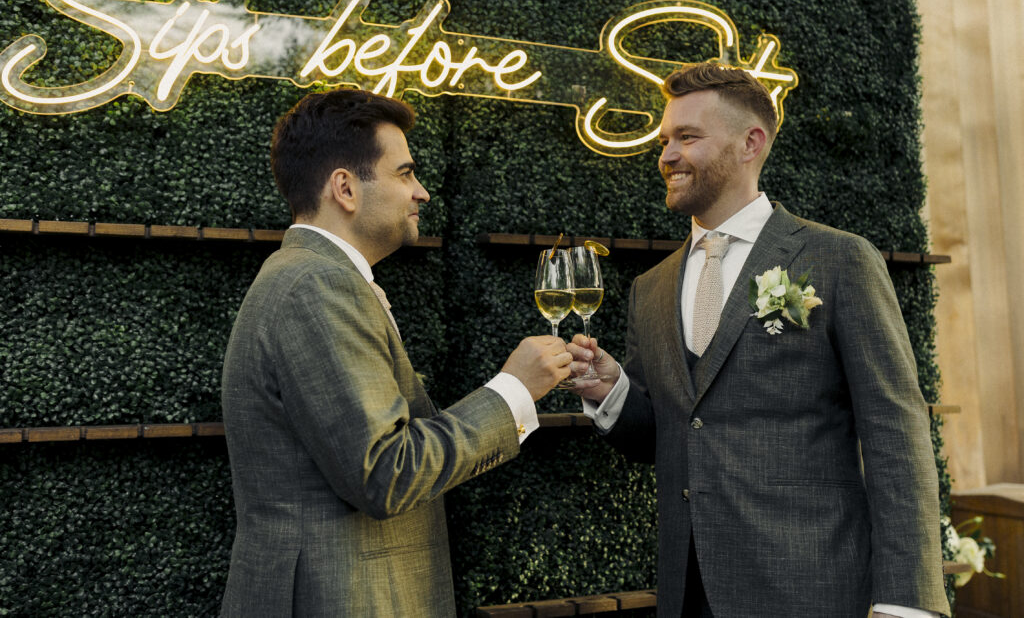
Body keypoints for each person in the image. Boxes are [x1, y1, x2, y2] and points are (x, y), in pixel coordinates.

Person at [568, 63, 950, 618]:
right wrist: (611, 394)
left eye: (687, 137)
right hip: (688, 593)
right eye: (665, 140)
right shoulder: (649, 290)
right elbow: (668, 436)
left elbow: (896, 430)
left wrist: (907, 602)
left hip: (813, 589)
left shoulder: (839, 259)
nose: (667, 155)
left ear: (751, 143)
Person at [220, 88, 572, 616]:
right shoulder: (316, 287)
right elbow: (386, 472)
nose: (422, 193)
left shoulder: (313, 279)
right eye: (405, 173)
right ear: (345, 188)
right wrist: (513, 391)